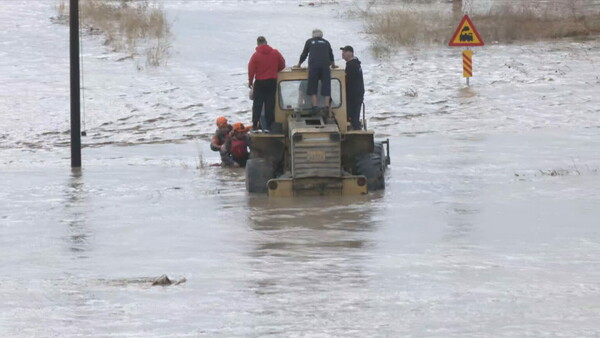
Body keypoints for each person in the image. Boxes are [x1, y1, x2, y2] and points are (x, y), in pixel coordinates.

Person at [248, 36, 286, 131]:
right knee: (270, 104)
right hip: (271, 81)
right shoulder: (275, 53)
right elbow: (282, 64)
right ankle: (269, 126)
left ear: (257, 44)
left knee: (257, 104)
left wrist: (250, 81)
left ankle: (255, 126)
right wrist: (275, 70)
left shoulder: (255, 55)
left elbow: (251, 69)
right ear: (266, 42)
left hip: (260, 82)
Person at [294, 29, 336, 113]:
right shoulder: (326, 42)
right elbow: (331, 55)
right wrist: (333, 65)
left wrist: (299, 64)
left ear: (313, 35)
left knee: (313, 85)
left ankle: (315, 106)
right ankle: (327, 106)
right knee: (326, 85)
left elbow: (304, 54)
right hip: (325, 66)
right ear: (321, 36)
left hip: (314, 66)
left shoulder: (309, 42)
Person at [340, 45, 365, 130]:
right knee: (354, 114)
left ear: (350, 53)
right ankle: (355, 125)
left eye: (344, 52)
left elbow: (348, 80)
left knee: (353, 116)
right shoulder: (354, 63)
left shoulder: (352, 65)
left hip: (354, 94)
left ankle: (356, 128)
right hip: (356, 93)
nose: (342, 54)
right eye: (342, 52)